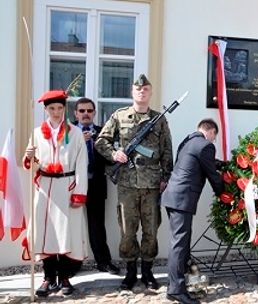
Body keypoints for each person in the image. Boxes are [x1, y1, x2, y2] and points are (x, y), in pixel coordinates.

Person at [95, 74, 173, 289]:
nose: (142, 92)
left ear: (150, 92)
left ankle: (147, 272)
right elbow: (101, 141)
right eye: (138, 89)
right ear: (132, 92)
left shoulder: (159, 119)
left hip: (151, 184)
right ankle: (130, 272)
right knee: (127, 230)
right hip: (127, 183)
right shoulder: (119, 116)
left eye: (146, 89)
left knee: (151, 229)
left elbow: (167, 150)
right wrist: (114, 155)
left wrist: (166, 177)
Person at [22, 90, 89, 297]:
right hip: (44, 190)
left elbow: (81, 164)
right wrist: (28, 156)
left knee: (66, 234)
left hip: (67, 188)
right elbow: (30, 165)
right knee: (45, 233)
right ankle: (48, 277)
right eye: (52, 108)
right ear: (46, 110)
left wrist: (79, 192)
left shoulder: (75, 133)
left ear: (64, 109)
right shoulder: (36, 133)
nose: (56, 112)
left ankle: (66, 277)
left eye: (60, 108)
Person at [161, 118, 224, 304]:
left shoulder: (188, 141)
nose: (213, 141)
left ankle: (181, 283)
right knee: (179, 245)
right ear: (211, 131)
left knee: (179, 242)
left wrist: (222, 164)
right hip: (182, 198)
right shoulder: (206, 145)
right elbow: (212, 174)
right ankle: (175, 290)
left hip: (173, 196)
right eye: (214, 137)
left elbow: (203, 162)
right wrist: (224, 193)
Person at [73, 97, 120, 275]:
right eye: (82, 111)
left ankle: (103, 262)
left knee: (97, 225)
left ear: (94, 113)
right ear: (75, 113)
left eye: (89, 111)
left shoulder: (102, 132)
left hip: (96, 184)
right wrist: (79, 142)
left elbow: (110, 157)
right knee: (74, 225)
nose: (86, 114)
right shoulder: (68, 132)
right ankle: (73, 264)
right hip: (73, 185)